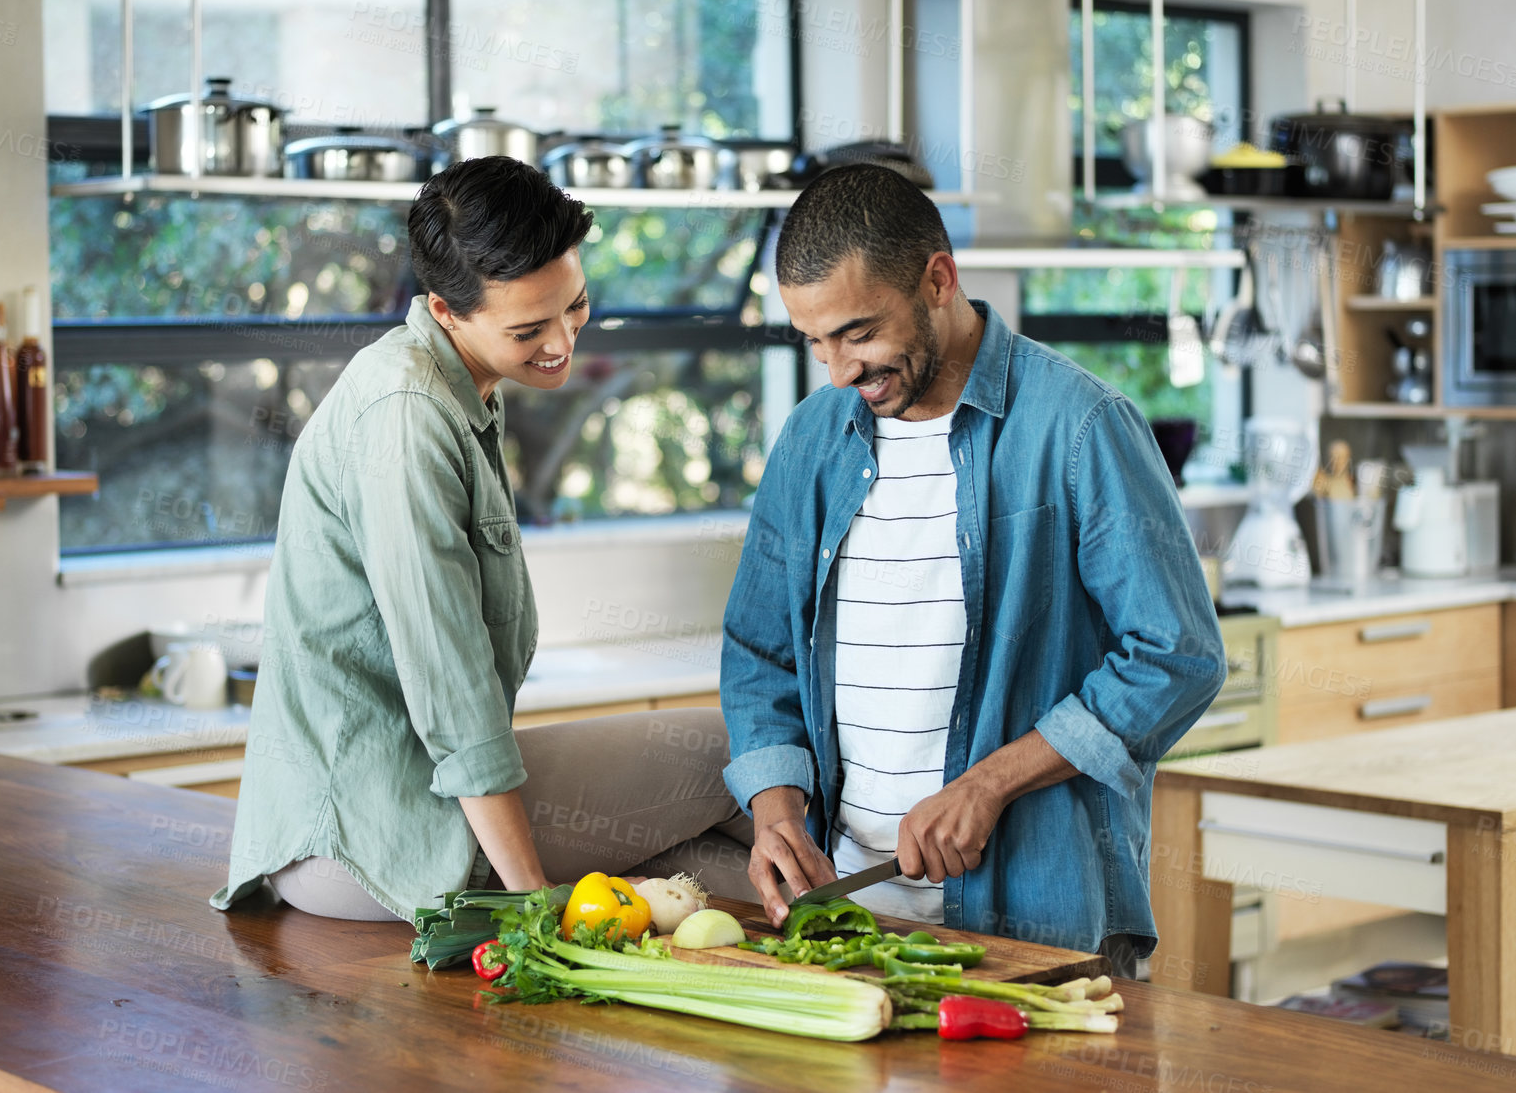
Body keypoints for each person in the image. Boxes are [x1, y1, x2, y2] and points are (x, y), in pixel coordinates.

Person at [213, 157, 753, 922]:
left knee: (704, 871)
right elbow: (453, 691)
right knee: (735, 754)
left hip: (392, 818)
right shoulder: (407, 417)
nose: (562, 342)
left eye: (576, 307)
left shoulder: (457, 389)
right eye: (529, 329)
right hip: (372, 837)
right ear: (444, 310)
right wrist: (536, 909)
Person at [719, 164, 1226, 975]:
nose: (838, 370)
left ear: (938, 279)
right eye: (815, 342)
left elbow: (1177, 654)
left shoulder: (1079, 426)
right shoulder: (812, 439)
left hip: (1036, 918)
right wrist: (776, 809)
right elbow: (759, 649)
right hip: (852, 921)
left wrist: (988, 783)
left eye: (857, 332)